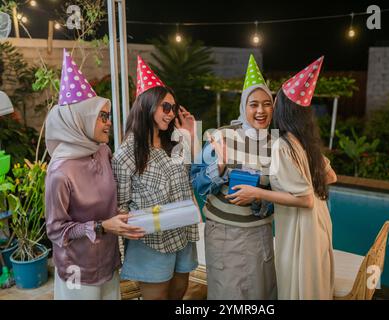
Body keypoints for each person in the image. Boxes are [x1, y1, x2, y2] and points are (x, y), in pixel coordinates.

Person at [226, 56, 337, 299]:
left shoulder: (282, 145)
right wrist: (306, 178)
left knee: (297, 288)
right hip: (320, 222)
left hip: (301, 228)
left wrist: (256, 192)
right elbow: (331, 176)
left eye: (274, 101)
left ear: (283, 107)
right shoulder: (305, 141)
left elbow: (305, 199)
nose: (269, 106)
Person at [45, 49, 145, 300]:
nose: (108, 122)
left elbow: (106, 200)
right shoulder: (60, 172)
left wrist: (118, 216)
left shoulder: (102, 151)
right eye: (102, 117)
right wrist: (102, 226)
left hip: (108, 261)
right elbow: (56, 231)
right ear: (80, 120)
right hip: (78, 269)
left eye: (108, 116)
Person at [112, 56, 199, 300]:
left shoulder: (175, 142)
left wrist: (191, 136)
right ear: (147, 105)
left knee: (179, 292)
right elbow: (120, 206)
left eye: (173, 107)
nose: (171, 114)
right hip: (152, 242)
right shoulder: (126, 153)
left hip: (183, 234)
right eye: (165, 107)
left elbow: (193, 179)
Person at [191, 54, 277, 299]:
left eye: (267, 103)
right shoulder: (222, 136)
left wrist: (260, 199)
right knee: (228, 295)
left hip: (259, 234)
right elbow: (196, 181)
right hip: (224, 234)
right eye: (254, 104)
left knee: (261, 296)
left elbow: (279, 194)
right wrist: (219, 166)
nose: (261, 110)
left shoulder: (277, 144)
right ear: (243, 106)